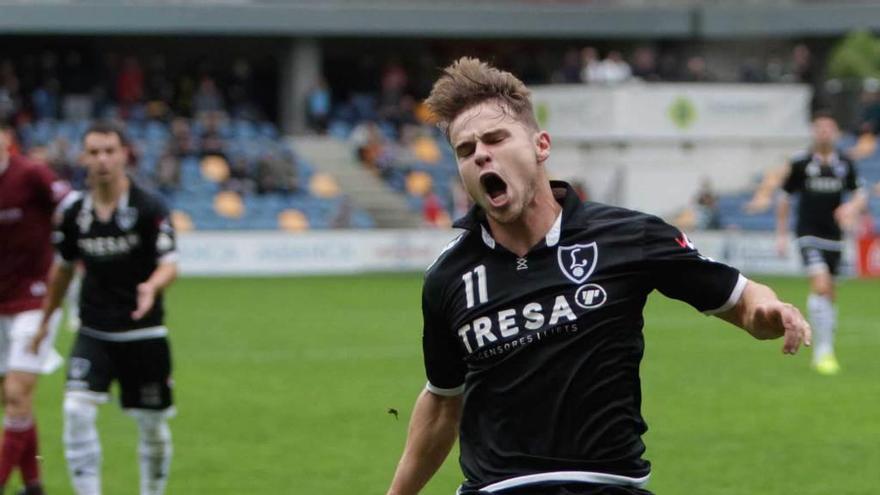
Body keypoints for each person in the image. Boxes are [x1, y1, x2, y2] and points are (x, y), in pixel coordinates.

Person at [386, 58, 812, 495]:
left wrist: (768, 310)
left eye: (496, 138)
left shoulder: (630, 237)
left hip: (608, 486)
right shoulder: (448, 276)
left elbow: (740, 298)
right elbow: (442, 401)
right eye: (465, 150)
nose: (480, 155)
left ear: (541, 146)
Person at [31, 121, 178, 495]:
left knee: (152, 425)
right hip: (94, 330)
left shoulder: (149, 208)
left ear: (124, 154)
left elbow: (170, 264)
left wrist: (152, 285)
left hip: (144, 331)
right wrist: (45, 321)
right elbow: (62, 271)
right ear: (83, 158)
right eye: (94, 152)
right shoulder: (74, 214)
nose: (102, 160)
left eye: (109, 151)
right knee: (75, 411)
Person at [0, 124, 70, 495]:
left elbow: (71, 205)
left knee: (16, 392)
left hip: (35, 300)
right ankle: (33, 484)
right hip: (0, 304)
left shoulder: (30, 174)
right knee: (15, 400)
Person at [775, 112, 867, 375]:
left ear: (836, 133)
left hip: (835, 238)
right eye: (820, 128)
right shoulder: (801, 164)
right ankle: (822, 352)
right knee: (821, 285)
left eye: (829, 128)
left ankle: (826, 347)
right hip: (808, 234)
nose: (824, 132)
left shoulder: (845, 164)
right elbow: (784, 198)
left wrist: (850, 207)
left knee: (830, 293)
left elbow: (860, 194)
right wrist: (781, 234)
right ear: (813, 132)